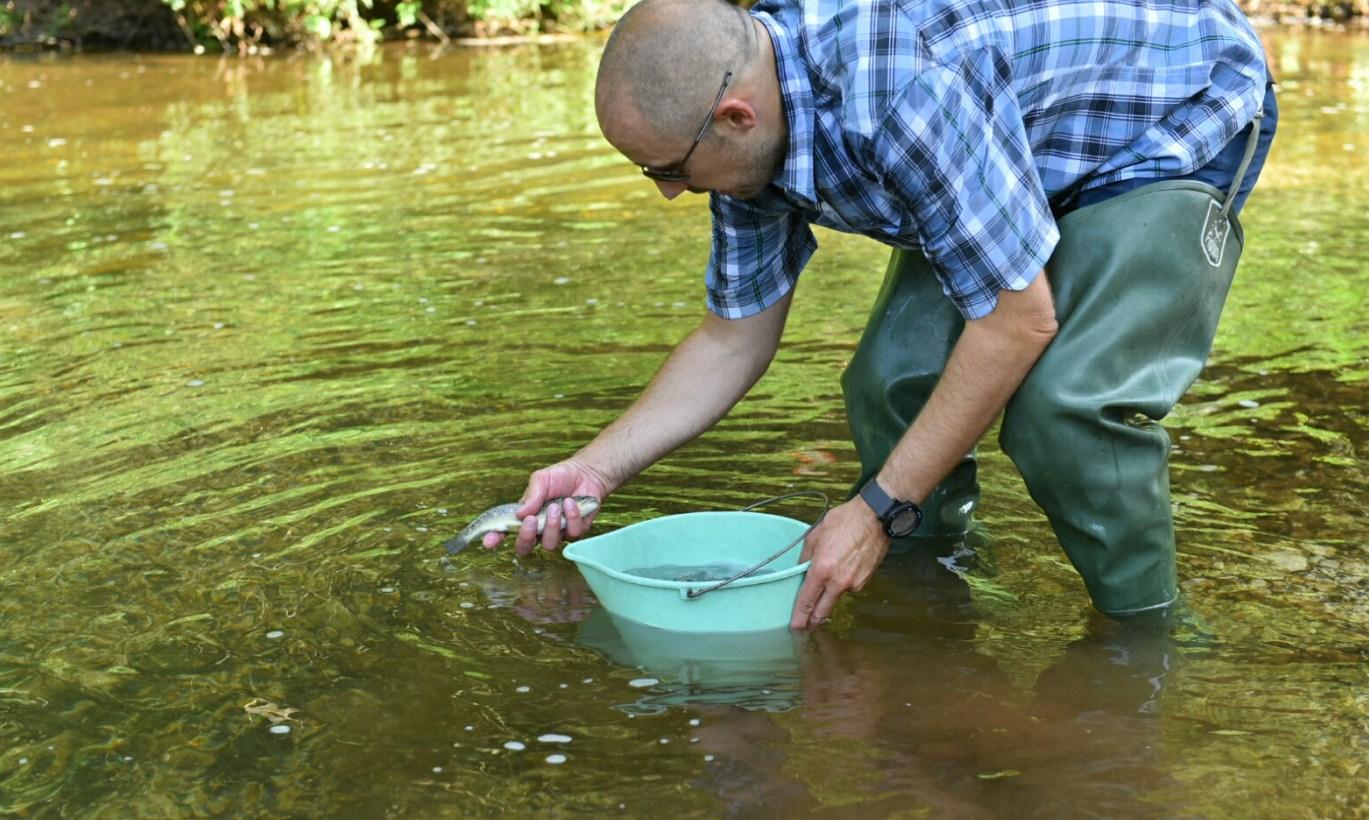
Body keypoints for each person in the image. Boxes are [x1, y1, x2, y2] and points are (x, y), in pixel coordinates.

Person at [482, 0, 1277, 629]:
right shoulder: (742, 146)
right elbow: (733, 338)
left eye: (666, 170)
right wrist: (595, 468)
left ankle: (1147, 641)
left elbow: (1017, 322)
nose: (667, 192)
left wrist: (874, 506)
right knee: (888, 381)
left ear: (734, 116)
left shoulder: (899, 91)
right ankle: (930, 593)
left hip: (1163, 115)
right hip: (1011, 135)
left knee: (1060, 409)